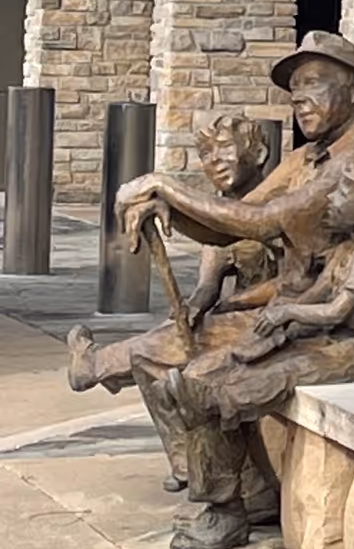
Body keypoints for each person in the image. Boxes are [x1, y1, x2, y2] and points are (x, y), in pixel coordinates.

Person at [106, 32, 354, 549]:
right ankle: (249, 488)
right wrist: (170, 211)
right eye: (294, 89)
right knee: (155, 354)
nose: (298, 99)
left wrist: (166, 186)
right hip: (286, 318)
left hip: (334, 334)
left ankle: (224, 511)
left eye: (312, 83)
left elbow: (265, 220)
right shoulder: (310, 155)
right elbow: (236, 226)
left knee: (203, 380)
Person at [66, 111, 283, 490]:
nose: (215, 164)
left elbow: (296, 281)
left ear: (260, 153)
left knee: (157, 353)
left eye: (225, 151)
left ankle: (95, 364)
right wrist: (194, 308)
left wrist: (238, 303)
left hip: (274, 322)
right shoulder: (217, 214)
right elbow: (208, 285)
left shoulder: (277, 206)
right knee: (153, 356)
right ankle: (184, 461)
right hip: (236, 320)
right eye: (208, 157)